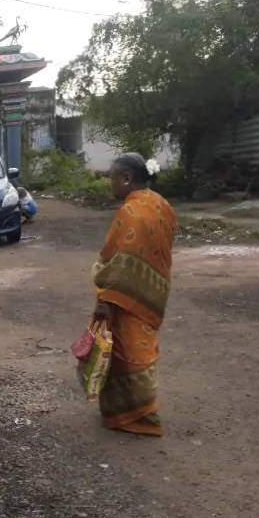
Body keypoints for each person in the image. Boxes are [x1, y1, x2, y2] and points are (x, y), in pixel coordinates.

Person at [91, 153, 179, 436]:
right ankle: (130, 411)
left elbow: (117, 263)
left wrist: (104, 298)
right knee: (142, 347)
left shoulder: (131, 212)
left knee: (128, 352)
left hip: (125, 296)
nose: (110, 184)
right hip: (153, 292)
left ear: (127, 178)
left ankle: (137, 416)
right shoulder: (161, 203)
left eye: (112, 178)